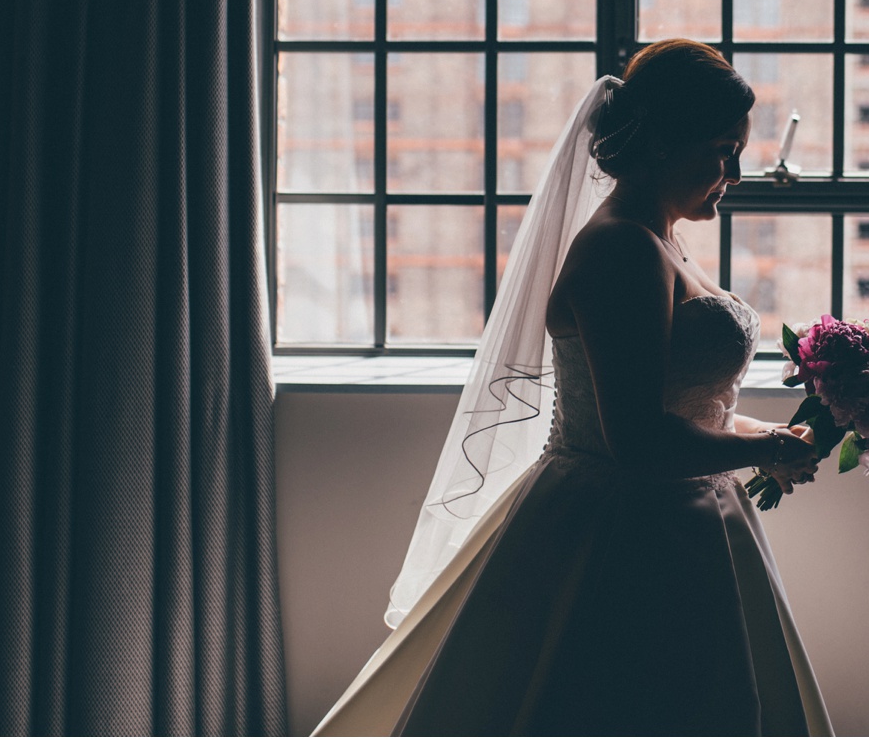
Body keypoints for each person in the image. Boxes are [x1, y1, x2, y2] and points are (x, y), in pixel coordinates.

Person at [313, 40, 832, 736]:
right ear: (661, 144)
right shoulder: (621, 248)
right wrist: (764, 447)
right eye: (720, 149)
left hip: (686, 523)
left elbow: (687, 405)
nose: (734, 173)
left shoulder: (663, 240)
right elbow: (638, 438)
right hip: (622, 538)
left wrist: (769, 438)